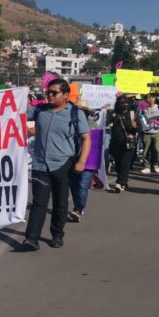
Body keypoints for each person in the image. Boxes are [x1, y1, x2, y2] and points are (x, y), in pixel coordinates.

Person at [22, 78, 91, 251]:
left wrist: (82, 161)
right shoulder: (40, 110)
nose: (50, 96)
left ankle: (57, 234)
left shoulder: (75, 113)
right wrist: (21, 94)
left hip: (63, 164)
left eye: (54, 93)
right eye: (48, 93)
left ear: (66, 95)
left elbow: (86, 138)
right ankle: (31, 238)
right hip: (40, 164)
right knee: (39, 202)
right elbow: (19, 111)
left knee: (60, 202)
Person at [68, 101, 108, 222]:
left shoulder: (92, 125)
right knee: (74, 185)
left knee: (83, 185)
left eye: (82, 111)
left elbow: (95, 143)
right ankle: (77, 206)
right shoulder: (70, 124)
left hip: (88, 160)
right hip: (73, 158)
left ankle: (79, 209)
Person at [108, 98, 138, 193]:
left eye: (126, 103)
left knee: (124, 163)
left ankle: (120, 183)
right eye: (122, 103)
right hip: (116, 142)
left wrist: (135, 127)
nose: (124, 104)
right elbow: (106, 123)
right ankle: (124, 181)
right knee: (118, 164)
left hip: (128, 143)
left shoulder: (133, 114)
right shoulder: (113, 114)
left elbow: (140, 128)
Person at [138, 93, 159, 174]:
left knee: (158, 149)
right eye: (149, 98)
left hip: (158, 132)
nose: (151, 99)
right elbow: (140, 119)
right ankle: (147, 166)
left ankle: (156, 164)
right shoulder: (144, 109)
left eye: (152, 97)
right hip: (147, 132)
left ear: (155, 99)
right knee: (146, 150)